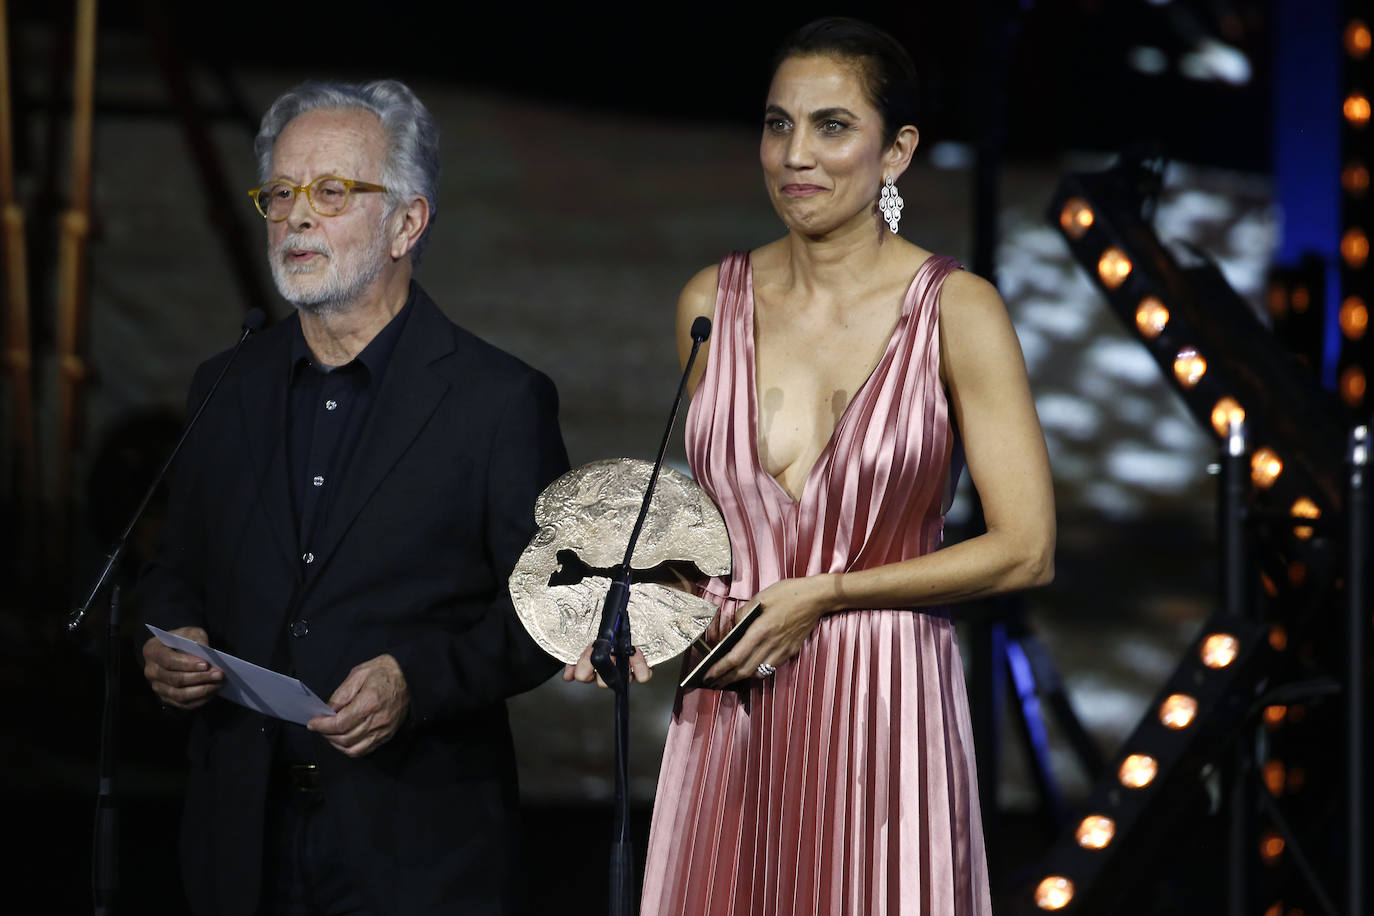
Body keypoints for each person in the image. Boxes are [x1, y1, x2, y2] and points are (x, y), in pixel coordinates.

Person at [566, 16, 1055, 915]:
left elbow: (1026, 550)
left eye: (832, 126)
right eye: (777, 123)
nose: (797, 154)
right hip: (730, 709)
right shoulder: (710, 304)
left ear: (896, 150)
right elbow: (717, 536)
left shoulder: (957, 310)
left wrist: (828, 595)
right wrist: (637, 603)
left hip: (887, 703)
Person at [137, 79, 568, 916]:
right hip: (239, 843)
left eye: (332, 193)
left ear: (407, 222)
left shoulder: (496, 401)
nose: (296, 217)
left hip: (414, 849)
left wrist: (420, 678)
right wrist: (170, 634)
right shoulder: (223, 386)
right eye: (283, 193)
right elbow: (173, 566)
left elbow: (547, 612)